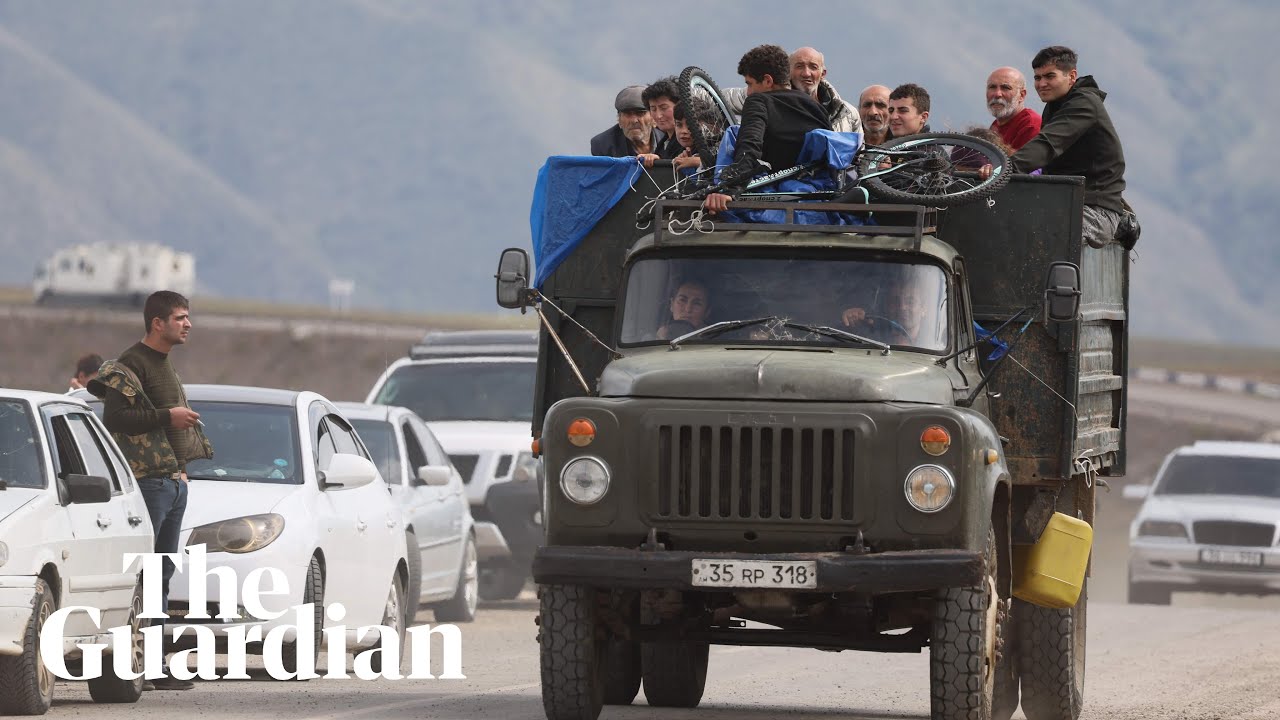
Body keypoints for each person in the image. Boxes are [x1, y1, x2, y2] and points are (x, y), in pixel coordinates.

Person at [87, 290, 212, 692]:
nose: (187, 324)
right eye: (179, 318)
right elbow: (118, 417)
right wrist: (167, 416)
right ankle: (134, 663)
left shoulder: (164, 363)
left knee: (161, 575)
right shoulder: (132, 363)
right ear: (157, 323)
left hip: (172, 483)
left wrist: (181, 470)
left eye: (187, 316)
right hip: (148, 484)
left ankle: (155, 664)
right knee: (143, 576)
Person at [1009, 46, 1127, 248]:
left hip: (1095, 210)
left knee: (1039, 234)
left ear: (1071, 76)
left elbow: (1047, 144)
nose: (1041, 84)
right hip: (1065, 201)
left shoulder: (1084, 104)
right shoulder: (1055, 106)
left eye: (1049, 76)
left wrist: (1004, 169)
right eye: (1037, 78)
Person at [702, 44, 831, 214]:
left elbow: (750, 146)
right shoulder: (817, 107)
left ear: (768, 81)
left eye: (750, 84)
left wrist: (728, 189)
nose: (748, 92)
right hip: (814, 195)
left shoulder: (758, 101)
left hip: (773, 194)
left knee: (733, 132)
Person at [721, 46, 861, 134]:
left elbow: (859, 159)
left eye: (813, 67)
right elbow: (717, 97)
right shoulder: (766, 95)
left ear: (822, 74)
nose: (806, 73)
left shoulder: (848, 113)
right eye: (799, 66)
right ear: (788, 71)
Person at [590, 85, 662, 158]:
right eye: (628, 114)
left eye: (640, 113)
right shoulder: (603, 144)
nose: (634, 121)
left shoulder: (669, 138)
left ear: (653, 118)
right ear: (619, 120)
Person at [986, 66, 1041, 151]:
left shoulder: (1031, 125)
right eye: (992, 87)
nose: (997, 94)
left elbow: (1021, 163)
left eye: (1006, 88)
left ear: (1021, 95)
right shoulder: (995, 125)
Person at [639, 77, 683, 165]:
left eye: (664, 108)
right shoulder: (664, 142)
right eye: (653, 109)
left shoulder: (688, 139)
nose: (658, 115)